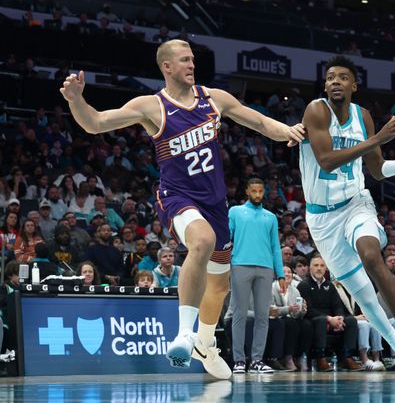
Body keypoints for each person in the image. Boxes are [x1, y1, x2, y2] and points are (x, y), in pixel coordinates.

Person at [59, 39, 304, 377]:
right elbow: (96, 123)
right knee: (200, 241)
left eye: (193, 60)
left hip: (215, 202)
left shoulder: (214, 99)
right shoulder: (152, 105)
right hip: (177, 196)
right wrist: (76, 100)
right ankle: (185, 333)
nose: (192, 65)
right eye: (185, 60)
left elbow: (261, 123)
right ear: (167, 67)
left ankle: (205, 342)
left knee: (219, 287)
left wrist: (288, 131)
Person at [298, 55, 395, 378]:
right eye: (331, 77)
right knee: (366, 299)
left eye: (343, 77)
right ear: (325, 85)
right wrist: (377, 140)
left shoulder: (363, 117)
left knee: (371, 253)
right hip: (321, 220)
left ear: (354, 85)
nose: (335, 81)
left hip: (356, 204)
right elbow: (326, 161)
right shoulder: (316, 110)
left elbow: (377, 171)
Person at [228, 178, 284, 374]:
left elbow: (276, 247)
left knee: (263, 316)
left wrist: (281, 273)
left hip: (266, 268)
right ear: (247, 192)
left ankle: (257, 360)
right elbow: (227, 238)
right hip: (240, 265)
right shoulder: (235, 212)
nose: (258, 195)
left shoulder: (270, 217)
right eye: (254, 191)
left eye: (260, 191)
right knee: (239, 315)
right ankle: (239, 360)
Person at [296, 255, 362, 371]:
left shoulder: (330, 286)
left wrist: (339, 319)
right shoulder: (304, 285)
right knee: (321, 321)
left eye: (322, 266)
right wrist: (328, 319)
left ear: (326, 268)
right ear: (310, 268)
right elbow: (308, 310)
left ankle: (346, 357)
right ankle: (320, 358)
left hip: (331, 319)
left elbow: (337, 306)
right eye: (316, 265)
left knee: (351, 320)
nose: (319, 268)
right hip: (313, 319)